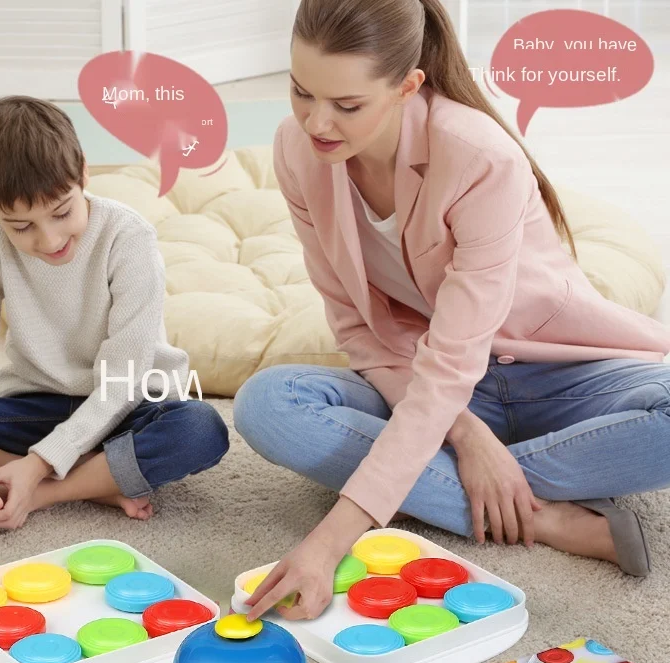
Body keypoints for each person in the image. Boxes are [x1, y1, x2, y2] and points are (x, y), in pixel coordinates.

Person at [233, 0, 670, 622]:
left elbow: (456, 358)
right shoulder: (297, 150)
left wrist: (328, 543)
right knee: (268, 404)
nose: (316, 122)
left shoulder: (479, 155)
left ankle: (459, 487)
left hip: (555, 374)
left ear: (407, 86)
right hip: (426, 381)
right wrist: (467, 437)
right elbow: (360, 331)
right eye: (302, 92)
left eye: (347, 105)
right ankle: (544, 517)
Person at [0, 96, 229, 532]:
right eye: (21, 226)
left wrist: (40, 465)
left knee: (198, 429)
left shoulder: (129, 237)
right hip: (36, 405)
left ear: (83, 174)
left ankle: (42, 489)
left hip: (128, 401)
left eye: (62, 212)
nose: (49, 239)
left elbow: (124, 380)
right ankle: (94, 480)